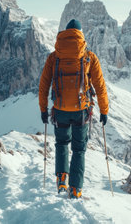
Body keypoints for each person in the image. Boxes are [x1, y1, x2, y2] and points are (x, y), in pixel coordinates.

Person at [39, 19, 109, 199]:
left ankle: (61, 179)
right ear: (80, 34)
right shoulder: (89, 56)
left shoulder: (54, 57)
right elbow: (100, 87)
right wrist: (104, 110)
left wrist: (43, 109)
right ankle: (76, 188)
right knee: (79, 149)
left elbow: (44, 84)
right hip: (81, 111)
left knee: (62, 143)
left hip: (60, 110)